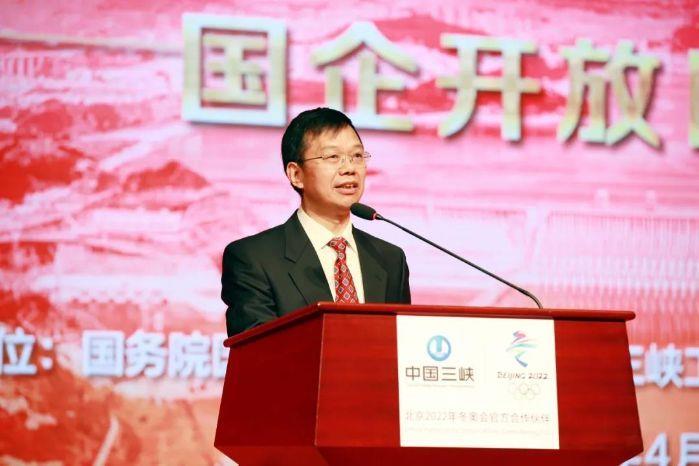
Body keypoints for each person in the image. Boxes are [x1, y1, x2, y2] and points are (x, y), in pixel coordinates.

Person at [221, 107, 411, 336]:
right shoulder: (253, 258)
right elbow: (259, 352)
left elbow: (401, 347)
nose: (349, 168)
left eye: (357, 156)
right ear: (296, 174)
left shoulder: (390, 259)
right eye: (332, 157)